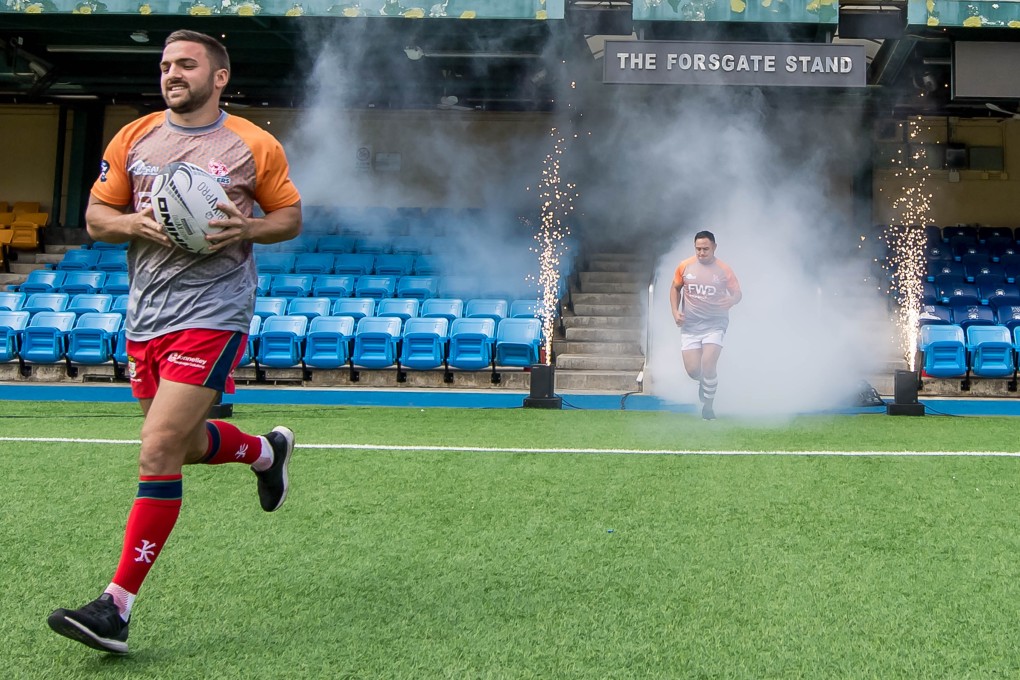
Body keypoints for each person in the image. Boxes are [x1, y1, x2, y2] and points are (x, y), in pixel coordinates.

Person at [47, 29, 302, 654]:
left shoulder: (252, 143)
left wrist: (251, 226)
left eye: (186, 65)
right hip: (146, 316)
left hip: (215, 313)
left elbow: (290, 216)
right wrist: (132, 221)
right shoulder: (133, 137)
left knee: (157, 447)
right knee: (183, 446)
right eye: (165, 65)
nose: (171, 74)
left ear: (219, 77)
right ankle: (266, 454)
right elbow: (96, 217)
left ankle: (116, 607)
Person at [669, 230, 742, 420]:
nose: (701, 253)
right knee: (694, 371)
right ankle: (703, 383)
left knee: (708, 364)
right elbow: (675, 289)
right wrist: (675, 312)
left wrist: (732, 300)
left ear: (714, 248)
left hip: (715, 324)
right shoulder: (685, 266)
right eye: (698, 249)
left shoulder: (724, 270)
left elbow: (738, 293)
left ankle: (708, 407)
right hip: (690, 326)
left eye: (705, 249)